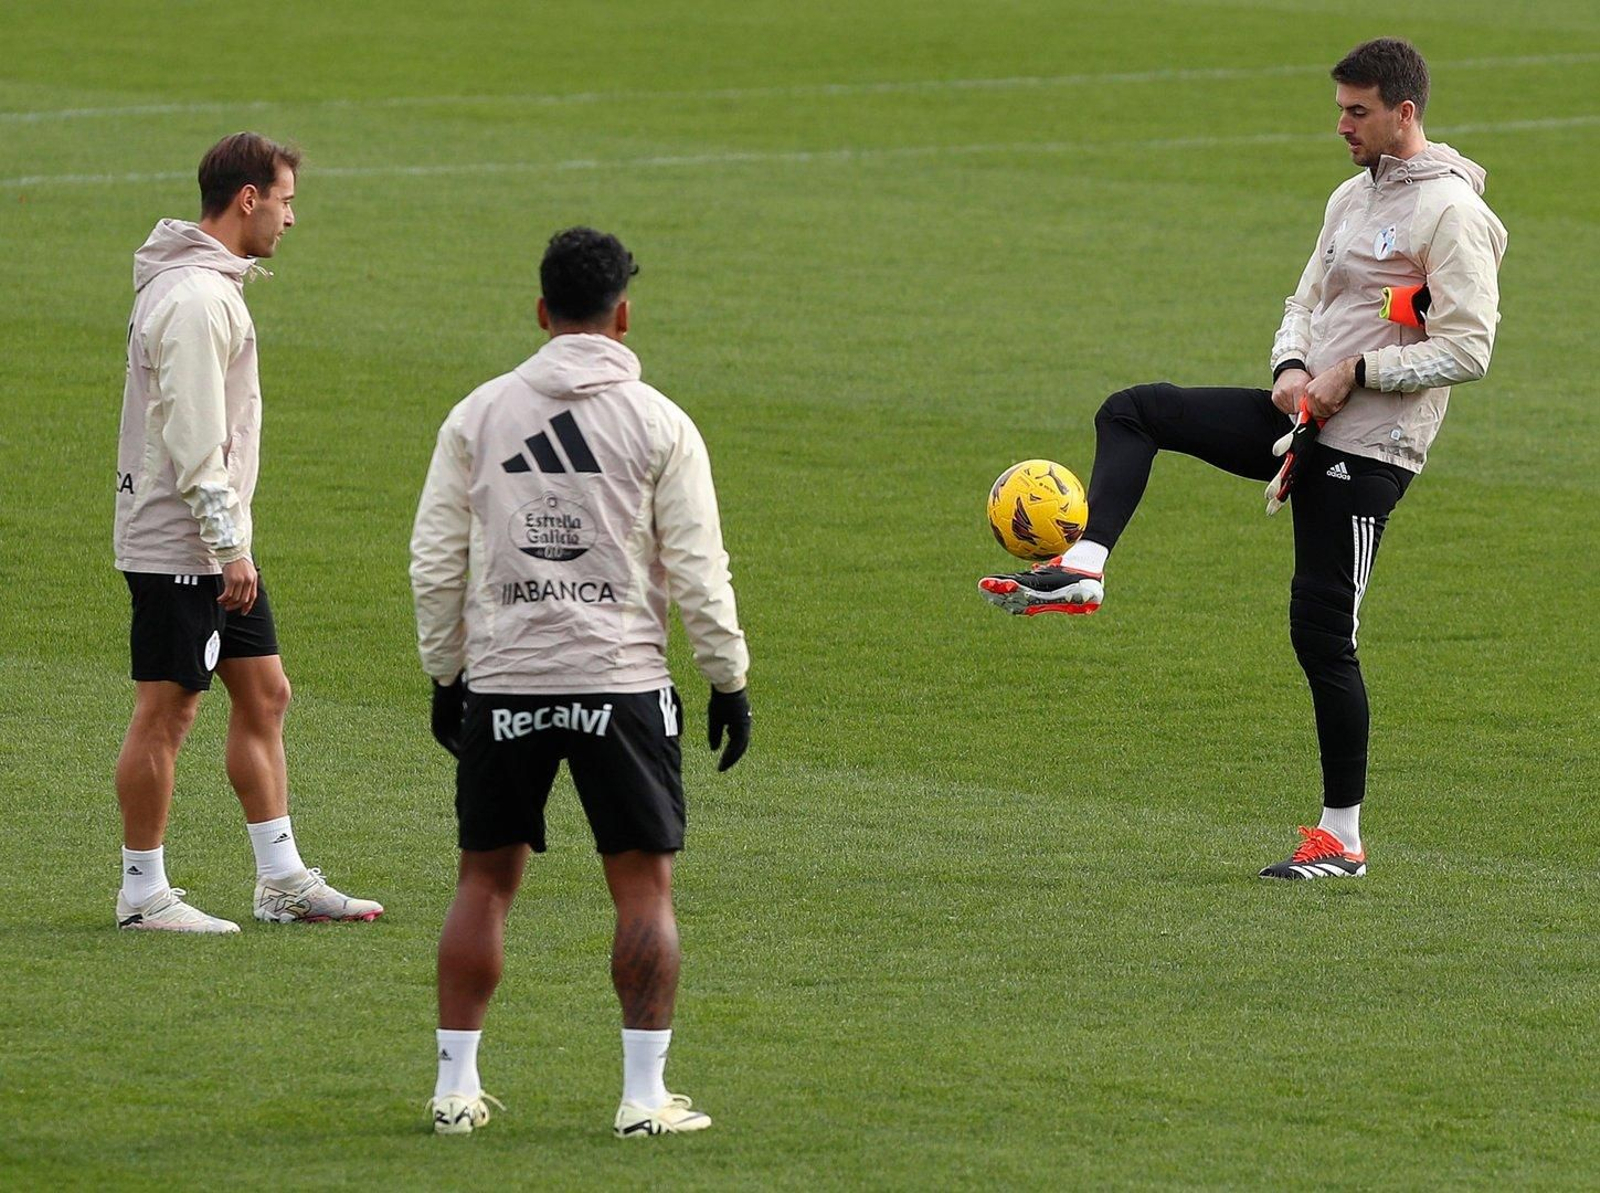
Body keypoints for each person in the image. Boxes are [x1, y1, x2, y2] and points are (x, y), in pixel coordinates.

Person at [978, 38, 1507, 880]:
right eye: (1339, 108)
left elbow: (1470, 346)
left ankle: (1342, 837)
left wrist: (1357, 372)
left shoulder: (1451, 213)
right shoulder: (1349, 197)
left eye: (1357, 110)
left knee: (1323, 633)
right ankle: (1086, 562)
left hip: (1370, 450)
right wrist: (1293, 369)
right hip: (1304, 422)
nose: (1341, 124)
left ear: (1404, 113)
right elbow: (1306, 300)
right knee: (1135, 411)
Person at [410, 227, 751, 1137]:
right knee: (643, 889)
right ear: (624, 315)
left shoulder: (478, 415)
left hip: (508, 680)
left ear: (540, 310)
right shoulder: (659, 422)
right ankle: (643, 1100)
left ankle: (453, 1090)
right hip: (621, 684)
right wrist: (727, 680)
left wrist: (448, 671)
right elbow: (698, 567)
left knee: (483, 880)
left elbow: (435, 559)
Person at [113, 132, 384, 931]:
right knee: (167, 711)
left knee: (265, 694)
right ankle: (142, 893)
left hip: (212, 538)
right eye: (288, 200)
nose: (292, 220)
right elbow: (195, 439)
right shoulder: (197, 300)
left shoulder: (203, 286)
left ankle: (282, 879)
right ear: (249, 199)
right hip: (183, 542)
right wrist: (226, 544)